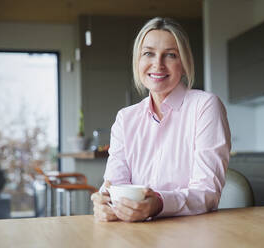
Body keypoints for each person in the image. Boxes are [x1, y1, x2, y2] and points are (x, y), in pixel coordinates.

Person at [91, 17, 231, 222]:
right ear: (138, 61)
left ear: (183, 64)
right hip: (135, 235)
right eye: (148, 53)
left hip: (192, 234)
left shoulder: (205, 106)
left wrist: (158, 203)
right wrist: (105, 202)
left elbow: (207, 192)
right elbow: (114, 184)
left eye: (171, 55)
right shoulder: (125, 118)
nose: (158, 64)